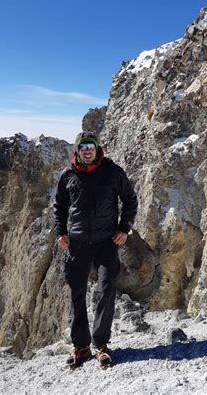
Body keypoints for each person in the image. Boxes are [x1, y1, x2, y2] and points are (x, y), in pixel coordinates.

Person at [53, 131, 138, 369]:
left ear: (97, 148)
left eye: (91, 146)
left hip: (105, 241)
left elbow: (130, 200)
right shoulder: (68, 175)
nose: (87, 150)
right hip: (76, 243)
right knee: (76, 292)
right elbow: (59, 206)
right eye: (83, 147)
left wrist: (124, 228)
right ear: (77, 151)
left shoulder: (112, 171)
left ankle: (101, 345)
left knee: (105, 289)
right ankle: (81, 348)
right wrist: (61, 232)